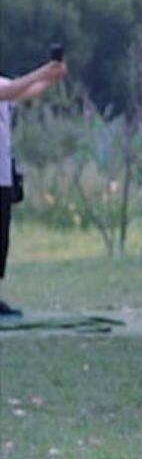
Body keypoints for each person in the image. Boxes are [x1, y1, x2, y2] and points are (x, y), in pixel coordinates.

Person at [0, 52, 68, 319]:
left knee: (1, 239)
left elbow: (24, 91)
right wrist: (43, 71)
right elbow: (11, 90)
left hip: (3, 175)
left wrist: (52, 78)